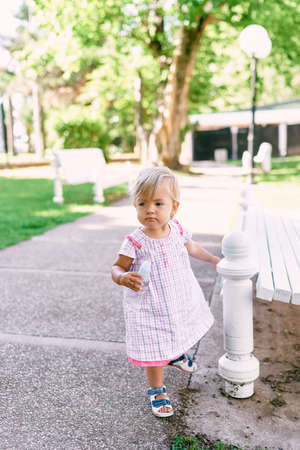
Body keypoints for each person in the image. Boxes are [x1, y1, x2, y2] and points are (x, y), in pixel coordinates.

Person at [111, 167, 220, 417]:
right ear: (135, 206)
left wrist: (212, 258)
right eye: (142, 203)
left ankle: (177, 353)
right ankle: (157, 389)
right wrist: (123, 277)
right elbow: (116, 267)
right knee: (153, 350)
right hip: (149, 306)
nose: (150, 209)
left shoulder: (178, 230)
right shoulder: (135, 241)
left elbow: (192, 248)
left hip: (178, 297)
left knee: (178, 328)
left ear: (174, 207)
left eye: (158, 203)